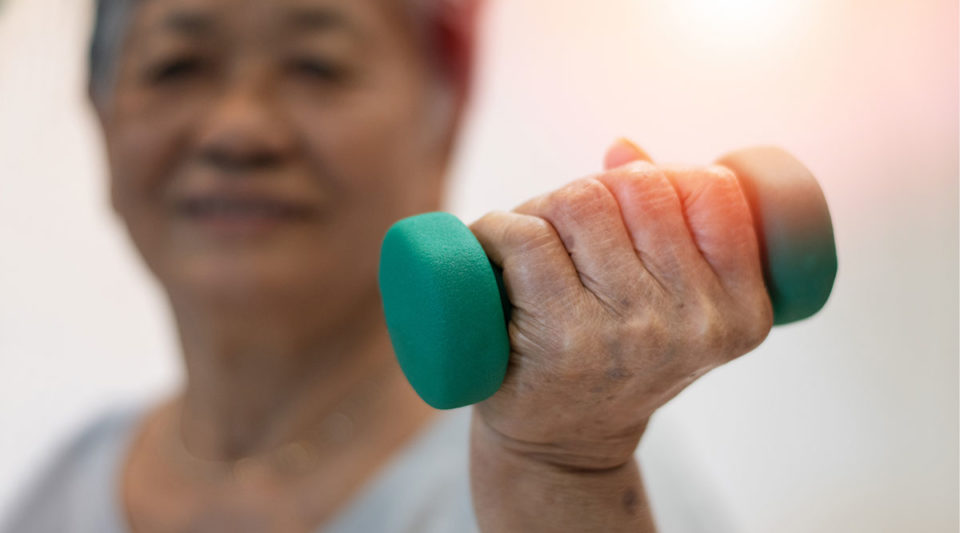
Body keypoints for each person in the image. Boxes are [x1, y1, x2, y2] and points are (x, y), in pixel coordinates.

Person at [2, 0, 771, 531]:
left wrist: (560, 477)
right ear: (101, 119)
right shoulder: (56, 492)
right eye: (176, 66)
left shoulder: (577, 477)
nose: (239, 129)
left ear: (446, 116)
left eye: (315, 65)